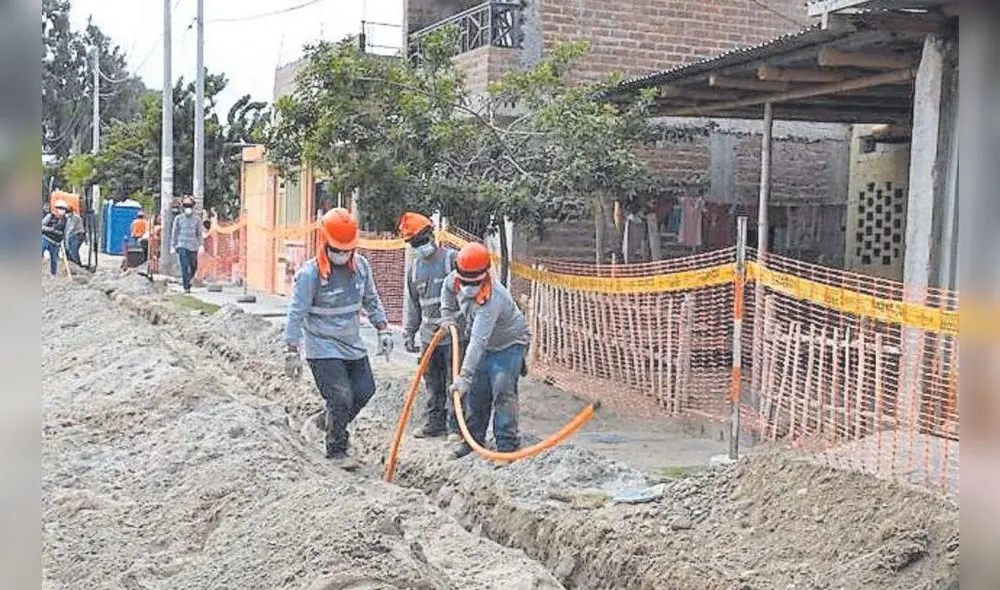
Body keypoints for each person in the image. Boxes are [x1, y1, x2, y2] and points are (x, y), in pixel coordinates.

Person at [283, 207, 394, 469]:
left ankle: (328, 421)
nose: (343, 254)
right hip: (322, 347)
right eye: (338, 249)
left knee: (365, 390)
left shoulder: (361, 268)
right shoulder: (310, 275)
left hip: (352, 345)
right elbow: (296, 312)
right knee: (340, 397)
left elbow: (371, 299)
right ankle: (337, 450)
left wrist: (383, 328)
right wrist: (291, 348)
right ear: (325, 243)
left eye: (347, 249)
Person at [440, 241, 530, 460]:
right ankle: (472, 441)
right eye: (465, 281)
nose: (469, 287)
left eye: (475, 282)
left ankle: (506, 447)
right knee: (477, 393)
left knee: (502, 389)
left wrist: (463, 376)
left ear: (485, 274)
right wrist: (446, 314)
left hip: (509, 344)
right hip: (485, 345)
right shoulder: (455, 280)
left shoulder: (493, 300)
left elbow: (478, 341)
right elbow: (446, 287)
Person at [399, 212, 462, 441]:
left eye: (422, 240)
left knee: (455, 381)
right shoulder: (414, 269)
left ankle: (457, 427)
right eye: (414, 242)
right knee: (433, 383)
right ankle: (435, 423)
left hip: (455, 335)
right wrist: (409, 332)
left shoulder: (452, 259)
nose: (420, 245)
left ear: (431, 235)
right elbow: (413, 304)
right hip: (429, 337)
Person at [170, 196, 203, 292]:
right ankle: (186, 287)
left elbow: (199, 233)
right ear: (183, 207)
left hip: (193, 246)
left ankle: (189, 279)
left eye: (190, 205)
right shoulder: (178, 218)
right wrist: (173, 245)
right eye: (186, 205)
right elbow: (174, 233)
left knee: (193, 266)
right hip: (182, 245)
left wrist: (201, 245)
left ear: (193, 206)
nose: (188, 207)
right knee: (184, 265)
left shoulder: (197, 219)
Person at [41, 200, 68, 276]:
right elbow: (41, 226)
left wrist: (63, 240)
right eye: (60, 208)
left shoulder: (65, 220)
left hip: (56, 243)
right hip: (46, 239)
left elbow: (65, 231)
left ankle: (53, 275)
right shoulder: (50, 216)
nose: (62, 211)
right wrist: (51, 230)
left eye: (63, 209)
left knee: (54, 260)